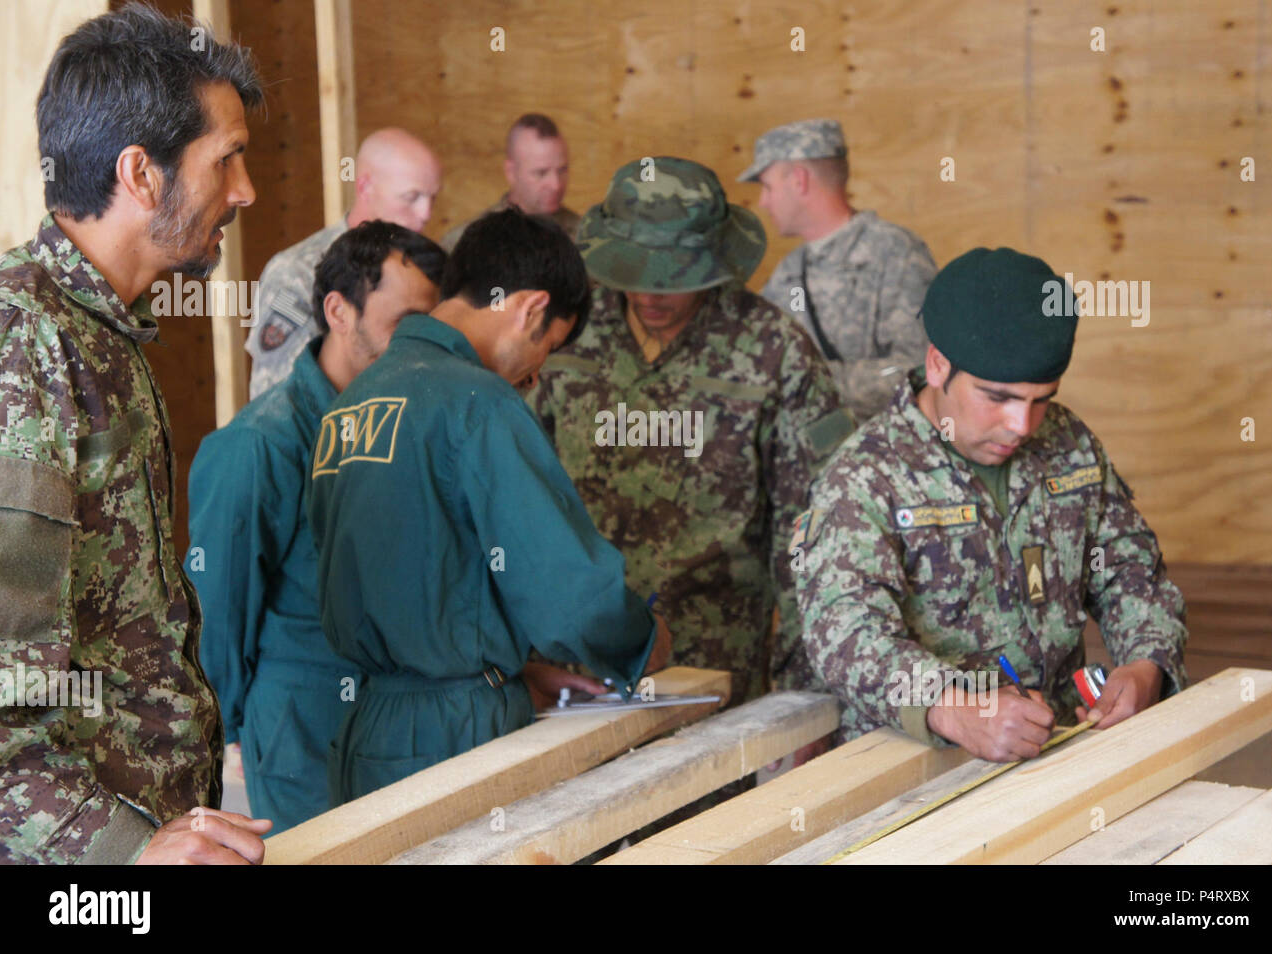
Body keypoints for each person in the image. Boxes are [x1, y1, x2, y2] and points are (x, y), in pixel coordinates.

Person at [0, 4, 270, 864]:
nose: (245, 192)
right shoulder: (25, 346)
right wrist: (122, 855)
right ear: (141, 174)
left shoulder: (100, 333)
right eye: (225, 160)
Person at [308, 208, 669, 805]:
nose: (534, 376)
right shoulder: (477, 401)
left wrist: (506, 668)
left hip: (368, 728)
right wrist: (641, 642)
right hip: (459, 736)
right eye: (545, 348)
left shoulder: (354, 400)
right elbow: (571, 597)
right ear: (528, 308)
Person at [794, 247, 1189, 762]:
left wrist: (1145, 664)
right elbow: (845, 635)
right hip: (918, 766)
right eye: (997, 398)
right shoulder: (865, 477)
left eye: (1041, 398)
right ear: (938, 365)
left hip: (1060, 746)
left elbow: (1129, 570)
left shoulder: (1068, 444)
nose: (1022, 426)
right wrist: (954, 710)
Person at [531, 157, 855, 706]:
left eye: (674, 278)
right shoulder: (565, 337)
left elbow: (809, 535)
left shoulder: (775, 352)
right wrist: (524, 658)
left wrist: (805, 698)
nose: (651, 295)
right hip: (576, 667)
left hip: (717, 667)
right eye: (636, 274)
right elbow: (518, 505)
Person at [188, 222, 444, 833]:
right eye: (404, 323)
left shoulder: (415, 422)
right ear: (339, 311)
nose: (421, 344)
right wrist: (228, 737)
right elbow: (218, 614)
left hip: (404, 716)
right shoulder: (259, 446)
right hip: (302, 724)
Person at [741, 118, 935, 421]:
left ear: (799, 181)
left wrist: (810, 379)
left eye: (767, 187)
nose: (763, 202)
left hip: (879, 458)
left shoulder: (895, 253)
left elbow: (921, 369)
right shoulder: (790, 270)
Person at [246, 128, 443, 397]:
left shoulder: (425, 269)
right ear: (364, 187)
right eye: (411, 198)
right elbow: (277, 397)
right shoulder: (297, 273)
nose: (426, 214)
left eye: (432, 198)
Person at [440, 113, 578, 251]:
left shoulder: (589, 241)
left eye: (562, 170)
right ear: (511, 172)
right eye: (541, 173)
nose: (556, 185)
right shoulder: (465, 244)